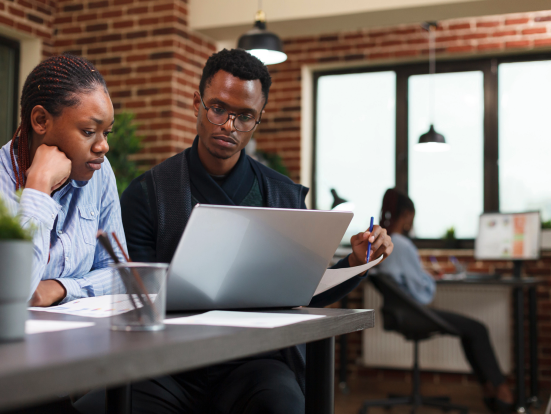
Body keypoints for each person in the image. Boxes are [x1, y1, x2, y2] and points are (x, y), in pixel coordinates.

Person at [104, 48, 393, 414]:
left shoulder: (282, 196)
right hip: (167, 364)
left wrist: (356, 259)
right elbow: (138, 298)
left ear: (258, 120)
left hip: (255, 364)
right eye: (218, 109)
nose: (228, 125)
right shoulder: (148, 195)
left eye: (244, 116)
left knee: (284, 404)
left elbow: (305, 294)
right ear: (197, 103)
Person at [0, 54, 127, 307]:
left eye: (107, 133)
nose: (103, 146)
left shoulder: (100, 175)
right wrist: (39, 185)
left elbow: (119, 273)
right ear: (41, 120)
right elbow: (12, 291)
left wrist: (61, 288)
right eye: (89, 132)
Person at [378, 188, 513, 413]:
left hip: (398, 312)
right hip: (414, 313)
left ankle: (492, 389)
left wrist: (421, 275)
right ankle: (500, 392)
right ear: (407, 215)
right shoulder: (402, 244)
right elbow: (422, 292)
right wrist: (429, 279)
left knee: (470, 331)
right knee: (477, 329)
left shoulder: (386, 242)